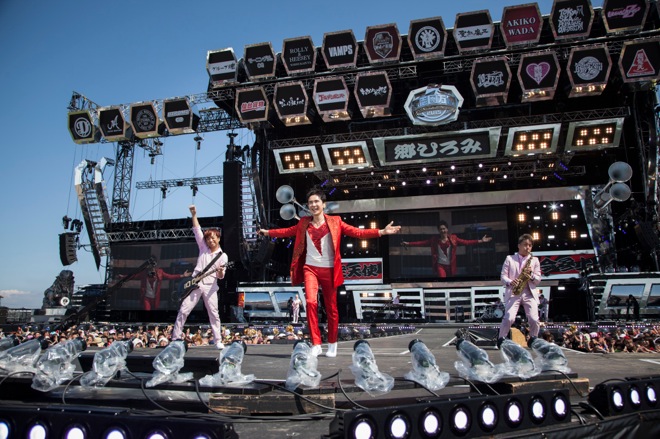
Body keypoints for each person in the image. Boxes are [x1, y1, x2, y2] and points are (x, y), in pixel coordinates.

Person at [258, 187, 401, 357]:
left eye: (316, 201)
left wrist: (381, 231)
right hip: (310, 268)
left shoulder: (335, 222)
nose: (313, 205)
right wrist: (268, 232)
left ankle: (332, 343)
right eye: (310, 203)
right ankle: (316, 343)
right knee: (310, 302)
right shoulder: (304, 223)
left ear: (323, 204)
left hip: (329, 270)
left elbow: (357, 232)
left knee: (331, 308)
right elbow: (287, 232)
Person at [172, 205, 228, 349]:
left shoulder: (223, 256)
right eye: (208, 239)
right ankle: (175, 337)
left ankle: (218, 340)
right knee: (184, 310)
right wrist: (194, 215)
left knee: (214, 314)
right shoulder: (203, 248)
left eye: (213, 238)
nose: (210, 241)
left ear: (218, 238)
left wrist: (220, 271)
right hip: (195, 284)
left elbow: (221, 276)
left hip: (211, 287)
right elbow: (197, 230)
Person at [402, 220, 492, 277]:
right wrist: (409, 243)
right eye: (441, 229)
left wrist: (481, 241)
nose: (443, 231)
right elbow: (422, 243)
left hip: (451, 265)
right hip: (440, 265)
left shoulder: (454, 238)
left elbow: (466, 242)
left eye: (444, 228)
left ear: (447, 229)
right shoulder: (434, 240)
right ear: (439, 230)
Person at [497, 233, 542, 348]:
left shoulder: (535, 260)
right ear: (519, 245)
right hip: (514, 291)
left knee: (534, 319)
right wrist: (510, 281)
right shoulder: (509, 259)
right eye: (525, 245)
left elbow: (538, 280)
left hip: (529, 292)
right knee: (509, 318)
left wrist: (531, 275)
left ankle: (534, 338)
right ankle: (501, 338)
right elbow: (503, 277)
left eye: (530, 245)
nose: (528, 247)